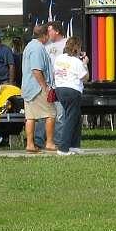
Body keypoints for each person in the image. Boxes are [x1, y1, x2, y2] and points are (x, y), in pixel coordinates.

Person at [22, 24, 57, 153]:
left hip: (28, 87)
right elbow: (37, 70)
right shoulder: (37, 48)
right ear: (44, 35)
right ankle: (50, 142)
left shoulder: (29, 46)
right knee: (51, 113)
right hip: (37, 88)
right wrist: (45, 87)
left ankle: (30, 144)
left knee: (30, 117)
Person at [53, 37, 90, 156]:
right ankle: (63, 148)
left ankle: (74, 145)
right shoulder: (77, 62)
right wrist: (85, 64)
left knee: (76, 117)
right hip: (72, 90)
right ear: (77, 48)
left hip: (60, 88)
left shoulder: (59, 58)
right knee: (71, 118)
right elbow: (85, 77)